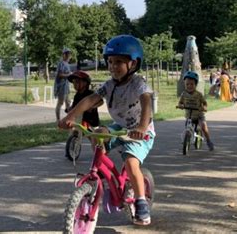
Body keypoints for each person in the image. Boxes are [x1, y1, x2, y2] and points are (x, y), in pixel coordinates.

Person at [58, 35, 155, 226]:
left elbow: (146, 102)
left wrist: (142, 127)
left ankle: (141, 202)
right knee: (99, 131)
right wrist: (70, 117)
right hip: (120, 127)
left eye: (119, 62)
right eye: (110, 61)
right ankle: (101, 171)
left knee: (130, 162)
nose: (113, 66)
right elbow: (90, 100)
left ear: (133, 64)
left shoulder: (138, 84)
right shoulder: (109, 85)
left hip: (141, 130)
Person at [177, 71, 214, 151]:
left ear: (195, 85)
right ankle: (187, 140)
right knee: (188, 128)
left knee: (203, 126)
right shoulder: (184, 94)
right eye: (187, 84)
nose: (189, 86)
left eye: (192, 84)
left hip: (199, 115)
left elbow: (204, 103)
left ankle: (208, 140)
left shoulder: (199, 94)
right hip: (189, 115)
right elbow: (180, 102)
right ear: (185, 84)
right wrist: (180, 105)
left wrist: (204, 107)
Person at [54, 48, 72, 122]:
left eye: (69, 54)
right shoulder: (61, 63)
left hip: (66, 86)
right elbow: (60, 75)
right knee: (60, 102)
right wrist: (69, 75)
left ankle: (69, 118)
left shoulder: (67, 63)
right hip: (61, 87)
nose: (69, 56)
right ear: (64, 55)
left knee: (68, 102)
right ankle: (58, 119)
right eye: (67, 54)